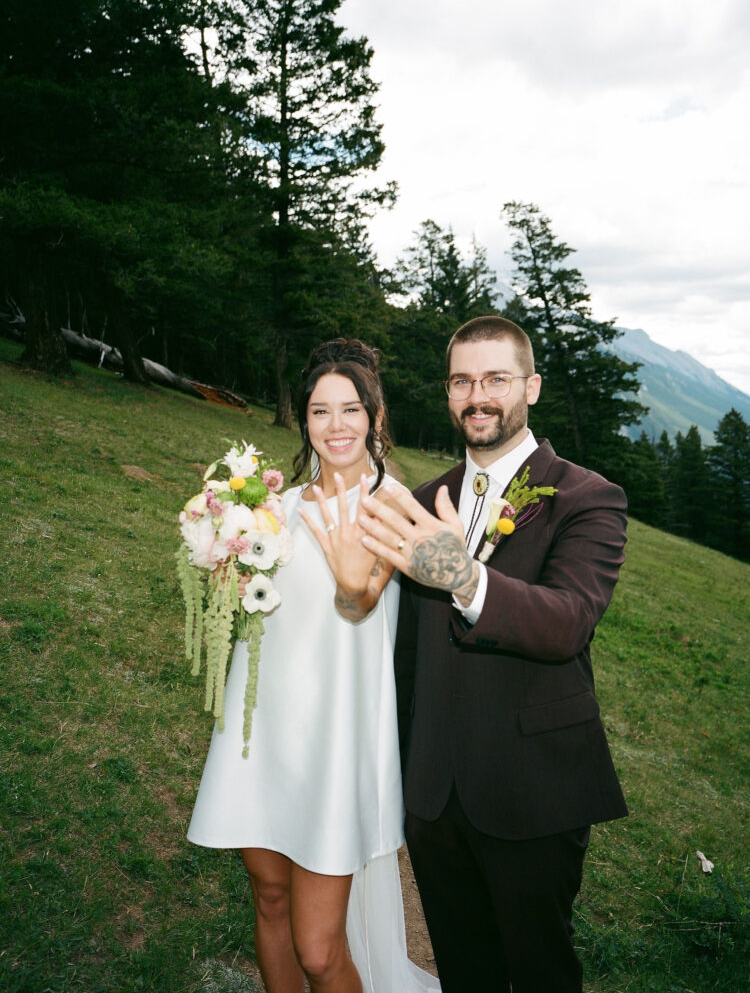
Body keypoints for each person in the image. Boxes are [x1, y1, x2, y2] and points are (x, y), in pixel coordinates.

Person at [356, 315, 628, 993]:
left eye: (496, 379)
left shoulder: (585, 498)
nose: (478, 395)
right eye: (462, 381)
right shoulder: (424, 502)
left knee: (538, 971)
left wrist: (466, 577)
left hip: (532, 791)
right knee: (465, 969)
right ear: (449, 394)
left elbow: (568, 622)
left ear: (530, 387)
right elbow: (404, 654)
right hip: (434, 794)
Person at [187, 339, 440, 993]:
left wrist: (353, 586)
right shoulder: (278, 510)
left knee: (320, 952)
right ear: (304, 420)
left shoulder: (393, 507)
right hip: (263, 730)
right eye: (321, 412)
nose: (336, 427)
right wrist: (220, 559)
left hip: (335, 742)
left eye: (351, 410)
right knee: (269, 896)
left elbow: (361, 602)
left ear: (376, 418)